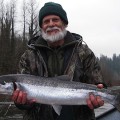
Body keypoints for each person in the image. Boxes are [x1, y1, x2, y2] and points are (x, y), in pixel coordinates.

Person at [12, 2, 105, 120]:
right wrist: (22, 103)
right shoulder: (28, 56)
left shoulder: (84, 52)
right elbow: (22, 103)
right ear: (41, 27)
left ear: (64, 23)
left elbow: (97, 83)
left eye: (55, 19)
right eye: (46, 21)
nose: (51, 24)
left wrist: (99, 93)